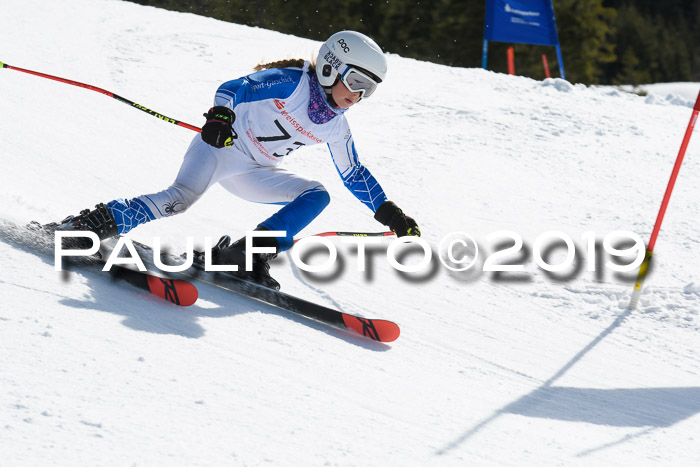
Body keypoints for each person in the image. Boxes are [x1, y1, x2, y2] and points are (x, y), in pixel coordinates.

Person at [56, 30, 420, 289]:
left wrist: (388, 212)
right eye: (356, 81)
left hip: (255, 172)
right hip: (220, 148)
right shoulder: (292, 83)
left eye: (368, 90)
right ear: (330, 66)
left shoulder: (335, 126)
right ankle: (89, 224)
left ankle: (245, 255)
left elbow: (353, 173)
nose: (358, 95)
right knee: (179, 199)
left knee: (317, 194)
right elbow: (234, 88)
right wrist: (220, 118)